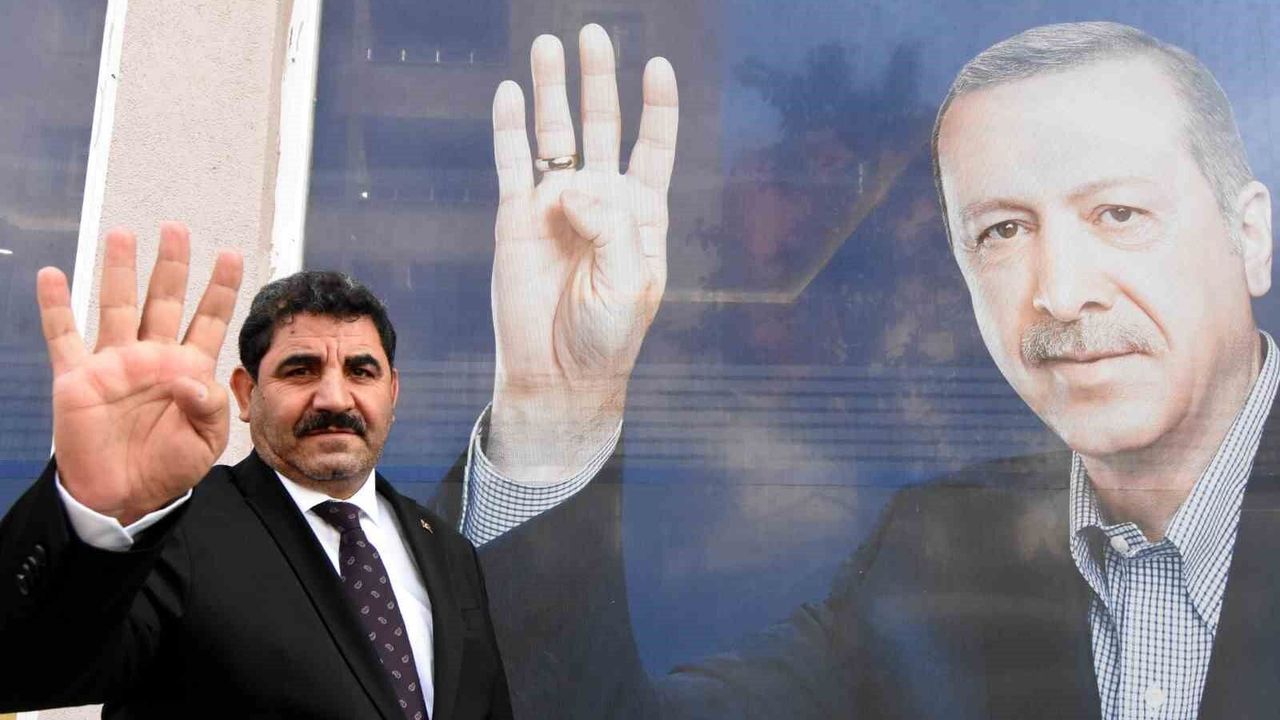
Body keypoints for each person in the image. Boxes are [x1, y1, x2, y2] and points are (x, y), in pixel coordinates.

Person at [452, 21, 1280, 720]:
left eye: (1119, 213)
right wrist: (554, 408)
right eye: (1002, 230)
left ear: (1249, 237)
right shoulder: (937, 556)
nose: (1060, 292)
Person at [0, 24, 680, 720]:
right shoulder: (184, 529)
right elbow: (25, 668)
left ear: (393, 392)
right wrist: (92, 508)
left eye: (361, 370)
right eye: (300, 369)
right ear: (245, 392)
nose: (334, 395)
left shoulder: (445, 552)